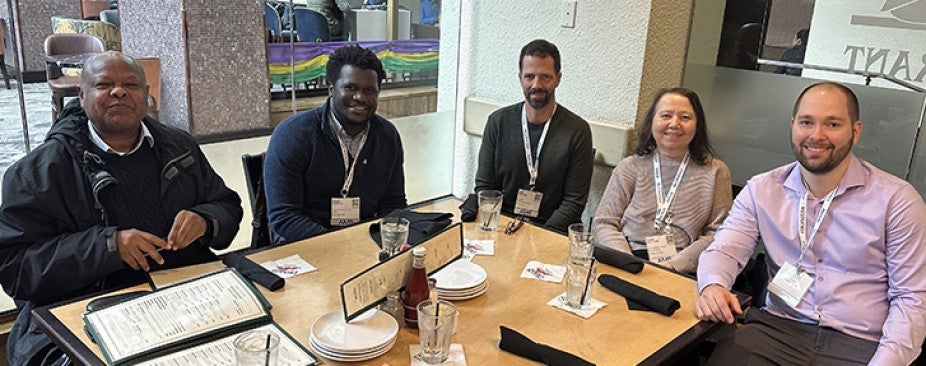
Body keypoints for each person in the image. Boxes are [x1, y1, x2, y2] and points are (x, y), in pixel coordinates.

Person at [0, 51, 243, 365]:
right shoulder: (38, 172)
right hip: (88, 307)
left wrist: (206, 220)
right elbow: (15, 269)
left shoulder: (179, 147)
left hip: (182, 295)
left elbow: (227, 206)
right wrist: (106, 247)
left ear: (146, 95)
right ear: (81, 95)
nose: (119, 91)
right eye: (104, 85)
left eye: (131, 84)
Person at [696, 82, 926, 365]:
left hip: (862, 344)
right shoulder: (762, 189)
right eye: (807, 122)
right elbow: (725, 250)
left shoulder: (897, 200)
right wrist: (713, 285)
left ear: (855, 132)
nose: (816, 135)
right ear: (793, 126)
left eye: (832, 124)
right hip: (778, 330)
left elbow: (913, 296)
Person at [264, 45, 406, 245]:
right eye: (351, 88)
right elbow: (285, 217)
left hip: (363, 241)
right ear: (331, 89)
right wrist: (341, 245)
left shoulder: (387, 137)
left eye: (370, 90)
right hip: (303, 244)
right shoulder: (293, 135)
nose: (361, 97)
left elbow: (393, 204)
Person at [592, 88, 732, 274]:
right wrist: (628, 261)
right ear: (652, 122)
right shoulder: (630, 167)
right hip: (626, 259)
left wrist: (676, 265)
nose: (674, 124)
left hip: (681, 266)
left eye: (685, 117)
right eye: (666, 115)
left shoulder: (716, 172)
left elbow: (718, 233)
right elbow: (604, 222)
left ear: (697, 125)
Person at [475, 39, 593, 233]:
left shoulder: (577, 130)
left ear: (558, 78)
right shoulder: (498, 122)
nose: (536, 85)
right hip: (502, 225)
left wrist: (537, 236)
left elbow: (573, 202)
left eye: (545, 77)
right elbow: (484, 188)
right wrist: (500, 227)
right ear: (520, 78)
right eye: (529, 76)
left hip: (551, 230)